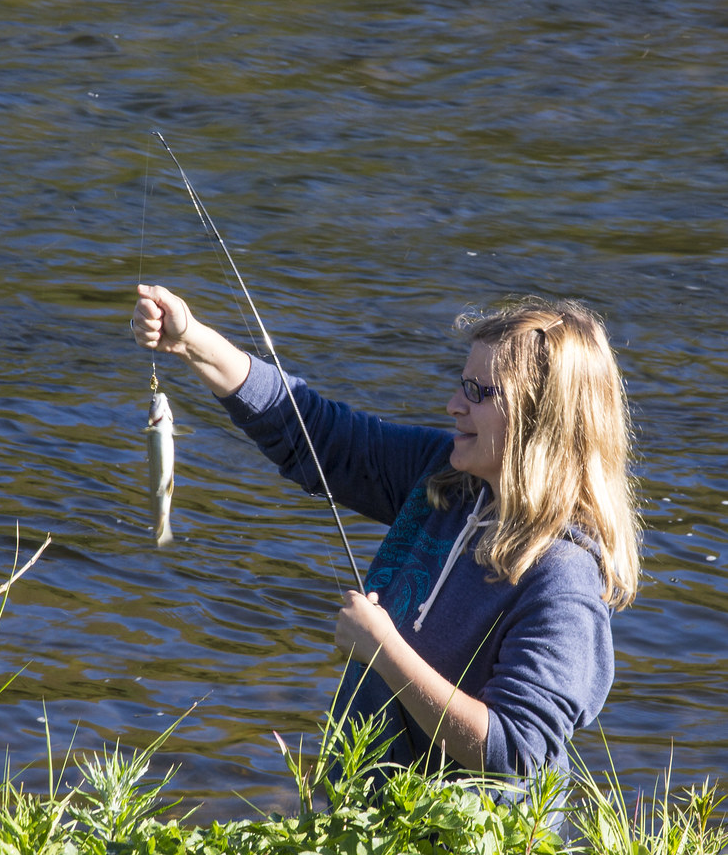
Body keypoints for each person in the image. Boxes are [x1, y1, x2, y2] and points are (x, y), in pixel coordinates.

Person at [131, 283, 640, 792]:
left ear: (542, 420)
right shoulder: (445, 477)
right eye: (462, 384)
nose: (453, 405)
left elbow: (514, 749)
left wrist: (384, 651)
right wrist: (192, 341)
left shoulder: (564, 578)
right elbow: (319, 435)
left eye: (480, 393)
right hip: (362, 818)